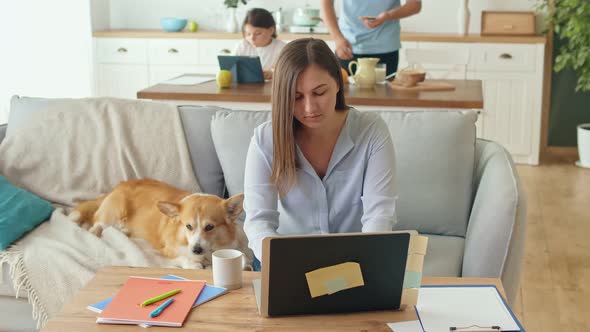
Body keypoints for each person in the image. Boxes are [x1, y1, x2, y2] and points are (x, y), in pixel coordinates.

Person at [243, 38, 398, 270]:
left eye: (319, 92)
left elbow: (379, 214)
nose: (309, 108)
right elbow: (258, 222)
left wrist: (365, 265)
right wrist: (285, 266)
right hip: (286, 262)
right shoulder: (266, 140)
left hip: (355, 262)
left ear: (337, 82)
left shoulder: (371, 131)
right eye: (296, 97)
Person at [320, 0, 422, 76]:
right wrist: (338, 38)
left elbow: (415, 4)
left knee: (384, 99)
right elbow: (325, 5)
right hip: (346, 47)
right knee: (344, 99)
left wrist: (387, 15)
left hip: (386, 47)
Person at [233, 8, 286, 80]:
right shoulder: (242, 46)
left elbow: (287, 73)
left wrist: (274, 74)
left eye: (258, 34)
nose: (252, 38)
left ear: (271, 30)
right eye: (248, 34)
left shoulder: (282, 48)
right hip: (245, 88)